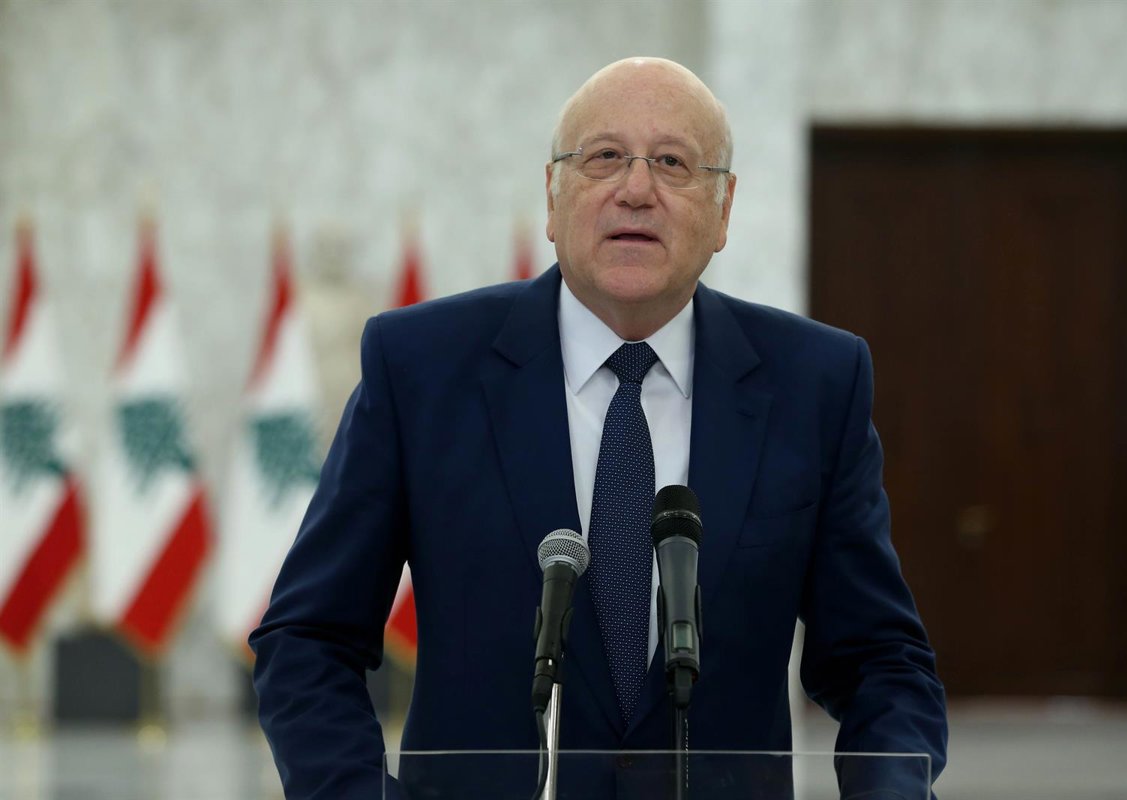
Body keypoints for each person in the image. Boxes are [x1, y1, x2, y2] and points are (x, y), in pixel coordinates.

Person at [251, 57, 947, 799]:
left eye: (673, 163)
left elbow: (881, 663)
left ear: (723, 211)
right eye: (605, 157)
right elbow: (308, 639)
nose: (636, 190)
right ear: (553, 198)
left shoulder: (814, 384)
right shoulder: (422, 368)